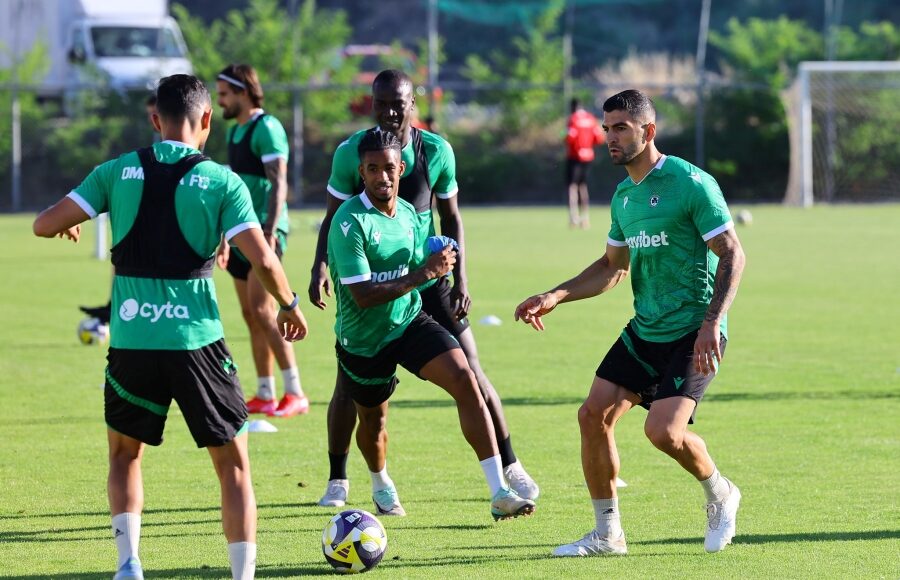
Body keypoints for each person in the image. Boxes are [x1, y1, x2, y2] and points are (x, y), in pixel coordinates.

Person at [33, 74, 309, 580]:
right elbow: (265, 260)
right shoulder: (222, 181)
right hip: (197, 341)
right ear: (207, 120)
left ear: (156, 119)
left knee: (124, 455)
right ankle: (243, 575)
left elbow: (43, 223)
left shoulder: (115, 170)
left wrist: (69, 220)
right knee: (234, 465)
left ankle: (128, 565)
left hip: (133, 340)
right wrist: (289, 304)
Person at [515, 89, 746, 556]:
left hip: (694, 331)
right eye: (607, 129)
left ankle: (721, 492)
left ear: (649, 131)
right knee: (592, 415)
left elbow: (732, 254)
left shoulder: (690, 183)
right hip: (646, 329)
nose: (610, 138)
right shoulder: (624, 196)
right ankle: (607, 535)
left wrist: (712, 322)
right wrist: (555, 295)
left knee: (664, 433)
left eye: (621, 127)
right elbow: (612, 266)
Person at [309, 69, 539, 511]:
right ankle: (351, 478)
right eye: (381, 103)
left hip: (417, 295)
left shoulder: (431, 159)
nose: (390, 111)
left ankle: (503, 482)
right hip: (368, 311)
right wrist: (320, 264)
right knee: (362, 408)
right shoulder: (351, 193)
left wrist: (455, 276)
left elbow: (449, 219)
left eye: (398, 103)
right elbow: (349, 257)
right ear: (361, 170)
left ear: (412, 104)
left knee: (468, 374)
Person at [215, 63, 309, 418]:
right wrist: (225, 237)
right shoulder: (234, 133)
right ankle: (266, 392)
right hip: (239, 233)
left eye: (224, 94)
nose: (220, 101)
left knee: (263, 310)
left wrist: (269, 231)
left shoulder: (266, 128)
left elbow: (279, 182)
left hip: (264, 232)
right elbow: (234, 190)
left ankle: (295, 392)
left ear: (243, 92)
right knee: (250, 314)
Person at [79, 93, 161, 325]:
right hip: (146, 212)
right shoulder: (156, 139)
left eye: (154, 113)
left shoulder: (177, 140)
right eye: (149, 114)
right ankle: (114, 305)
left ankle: (127, 309)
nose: (151, 119)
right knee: (122, 252)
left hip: (162, 218)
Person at [565, 97, 605, 229]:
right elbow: (599, 138)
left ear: (572, 107)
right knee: (583, 186)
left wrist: (562, 135)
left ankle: (573, 217)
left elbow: (570, 137)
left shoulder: (573, 119)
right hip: (588, 156)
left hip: (575, 156)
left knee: (572, 187)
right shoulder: (590, 118)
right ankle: (585, 218)